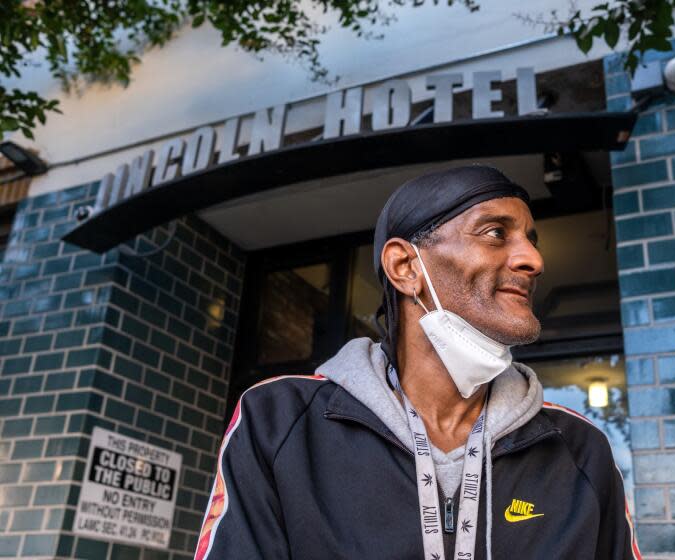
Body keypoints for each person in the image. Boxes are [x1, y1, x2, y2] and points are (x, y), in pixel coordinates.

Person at [194, 165, 642, 560]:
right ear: (405, 266)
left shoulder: (581, 449)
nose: (534, 260)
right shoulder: (278, 422)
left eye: (530, 239)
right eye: (494, 233)